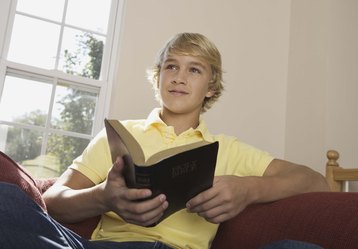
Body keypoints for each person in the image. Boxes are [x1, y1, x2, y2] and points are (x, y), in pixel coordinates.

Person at [0, 33, 329, 249]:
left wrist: (248, 189)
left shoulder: (228, 149)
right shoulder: (120, 136)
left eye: (194, 70)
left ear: (211, 87)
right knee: (6, 199)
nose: (179, 77)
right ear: (158, 78)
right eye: (171, 66)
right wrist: (104, 198)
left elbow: (316, 181)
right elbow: (53, 201)